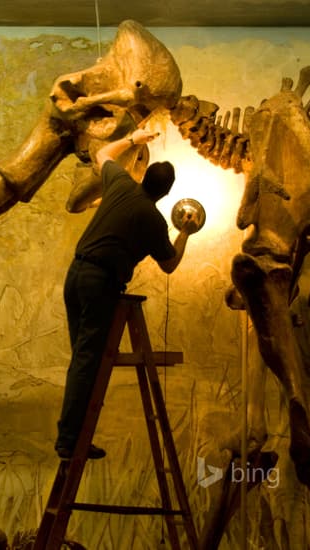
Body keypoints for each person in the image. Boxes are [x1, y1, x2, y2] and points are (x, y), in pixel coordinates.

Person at [55, 127, 199, 459]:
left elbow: (102, 154)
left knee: (82, 360)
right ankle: (69, 443)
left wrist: (135, 139)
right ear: (166, 193)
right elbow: (170, 265)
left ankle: (73, 437)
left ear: (144, 176)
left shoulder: (120, 184)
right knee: (88, 361)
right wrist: (185, 232)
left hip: (75, 274)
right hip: (100, 283)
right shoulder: (153, 219)